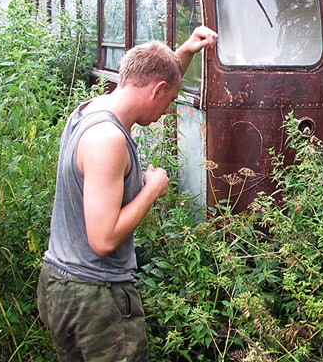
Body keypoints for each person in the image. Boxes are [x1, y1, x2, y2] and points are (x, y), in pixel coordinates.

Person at [37, 26, 218, 361]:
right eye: (170, 100)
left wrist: (188, 50)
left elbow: (155, 78)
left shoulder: (92, 109)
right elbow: (103, 240)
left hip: (60, 284)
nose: (168, 110)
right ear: (158, 90)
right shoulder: (108, 140)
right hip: (95, 297)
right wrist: (152, 191)